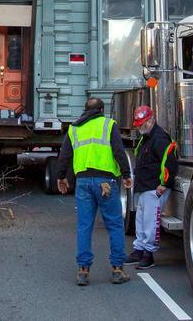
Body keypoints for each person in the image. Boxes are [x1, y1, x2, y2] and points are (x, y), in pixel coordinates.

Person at [55, 97, 132, 286]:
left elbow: (64, 155)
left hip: (82, 182)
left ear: (85, 110)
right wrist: (127, 173)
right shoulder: (108, 124)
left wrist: (61, 177)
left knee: (84, 226)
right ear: (101, 110)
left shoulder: (74, 128)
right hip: (105, 182)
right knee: (114, 224)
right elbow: (118, 151)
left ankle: (83, 271)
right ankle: (117, 269)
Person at [125, 106, 178, 271]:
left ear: (150, 121)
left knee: (149, 221)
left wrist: (164, 184)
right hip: (147, 186)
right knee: (141, 219)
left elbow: (169, 162)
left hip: (154, 187)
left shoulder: (159, 138)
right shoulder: (149, 137)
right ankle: (140, 250)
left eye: (142, 123)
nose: (139, 127)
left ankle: (148, 253)